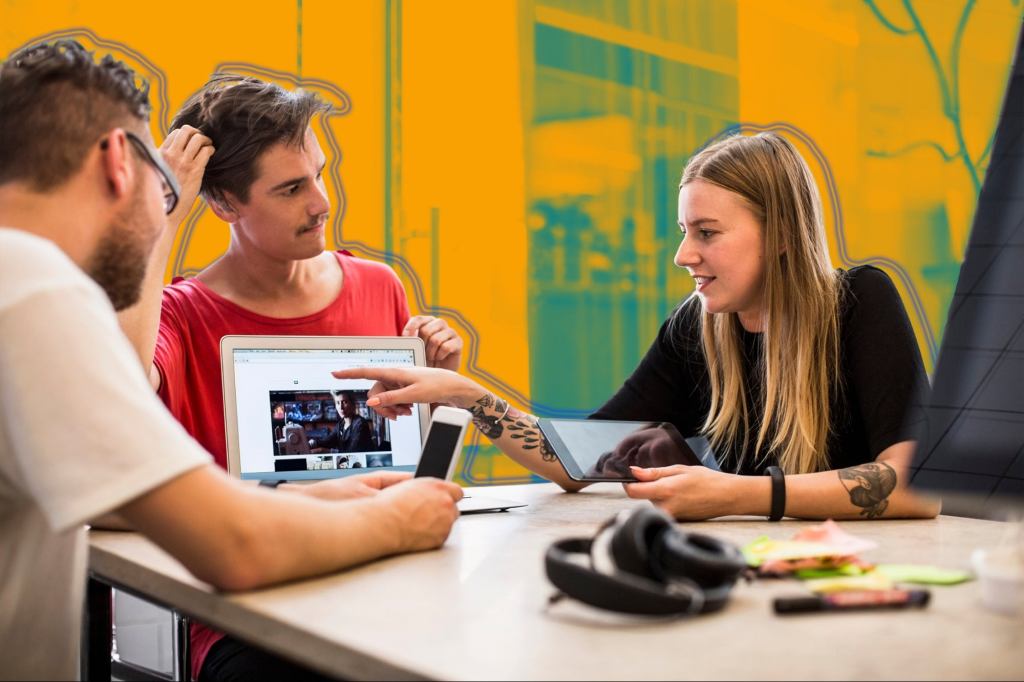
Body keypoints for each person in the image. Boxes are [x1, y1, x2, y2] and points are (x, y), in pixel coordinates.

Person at [0, 40, 462, 681]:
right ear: (118, 163)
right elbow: (233, 546)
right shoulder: (27, 285)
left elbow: (100, 493)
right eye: (162, 184)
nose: (320, 202)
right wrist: (398, 520)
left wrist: (303, 497)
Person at [335, 132, 942, 522]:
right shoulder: (696, 328)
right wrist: (468, 396)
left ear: (781, 234)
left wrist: (736, 493)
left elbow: (919, 484)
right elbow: (575, 463)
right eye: (684, 232)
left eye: (707, 233)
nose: (683, 255)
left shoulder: (860, 301)